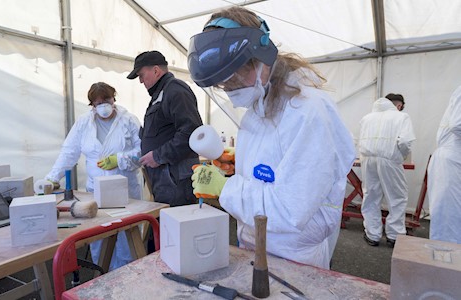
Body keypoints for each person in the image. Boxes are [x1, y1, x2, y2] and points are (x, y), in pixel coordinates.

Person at [187, 7, 355, 269]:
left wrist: (226, 188)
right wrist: (239, 167)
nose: (229, 88)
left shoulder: (308, 112)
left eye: (233, 77)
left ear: (261, 57)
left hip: (294, 257)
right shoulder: (260, 104)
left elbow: (290, 209)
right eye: (222, 83)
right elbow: (273, 169)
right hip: (255, 244)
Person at [45, 82, 142, 270]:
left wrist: (119, 159)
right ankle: (103, 277)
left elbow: (143, 151)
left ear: (114, 99)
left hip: (125, 192)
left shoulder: (129, 121)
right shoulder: (84, 123)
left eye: (106, 100)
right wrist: (52, 177)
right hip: (95, 192)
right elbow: (69, 151)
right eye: (97, 103)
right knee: (99, 237)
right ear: (92, 105)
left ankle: (129, 280)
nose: (103, 106)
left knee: (127, 240)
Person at [127, 50, 203, 207]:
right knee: (167, 223)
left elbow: (191, 132)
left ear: (156, 70)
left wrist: (158, 156)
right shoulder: (161, 94)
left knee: (177, 223)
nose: (141, 81)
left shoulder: (175, 91)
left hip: (176, 177)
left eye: (141, 75)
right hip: (166, 177)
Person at [359, 96, 415, 248]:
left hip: (367, 158)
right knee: (396, 197)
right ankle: (394, 236)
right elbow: (404, 141)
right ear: (398, 105)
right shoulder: (402, 117)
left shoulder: (367, 118)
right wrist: (400, 156)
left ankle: (372, 234)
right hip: (389, 159)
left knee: (371, 196)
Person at [428, 85, 461, 244]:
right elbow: (458, 124)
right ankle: (446, 266)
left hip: (452, 159)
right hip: (453, 160)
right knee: (449, 220)